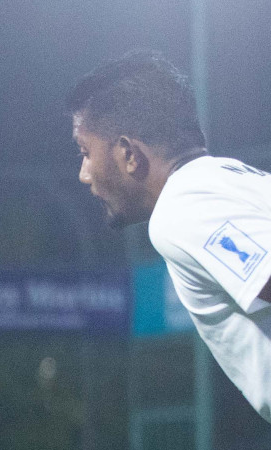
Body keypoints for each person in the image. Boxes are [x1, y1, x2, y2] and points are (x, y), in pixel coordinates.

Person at [70, 50, 271, 423]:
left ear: (129, 154)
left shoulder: (181, 208)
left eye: (86, 152)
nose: (84, 173)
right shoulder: (235, 175)